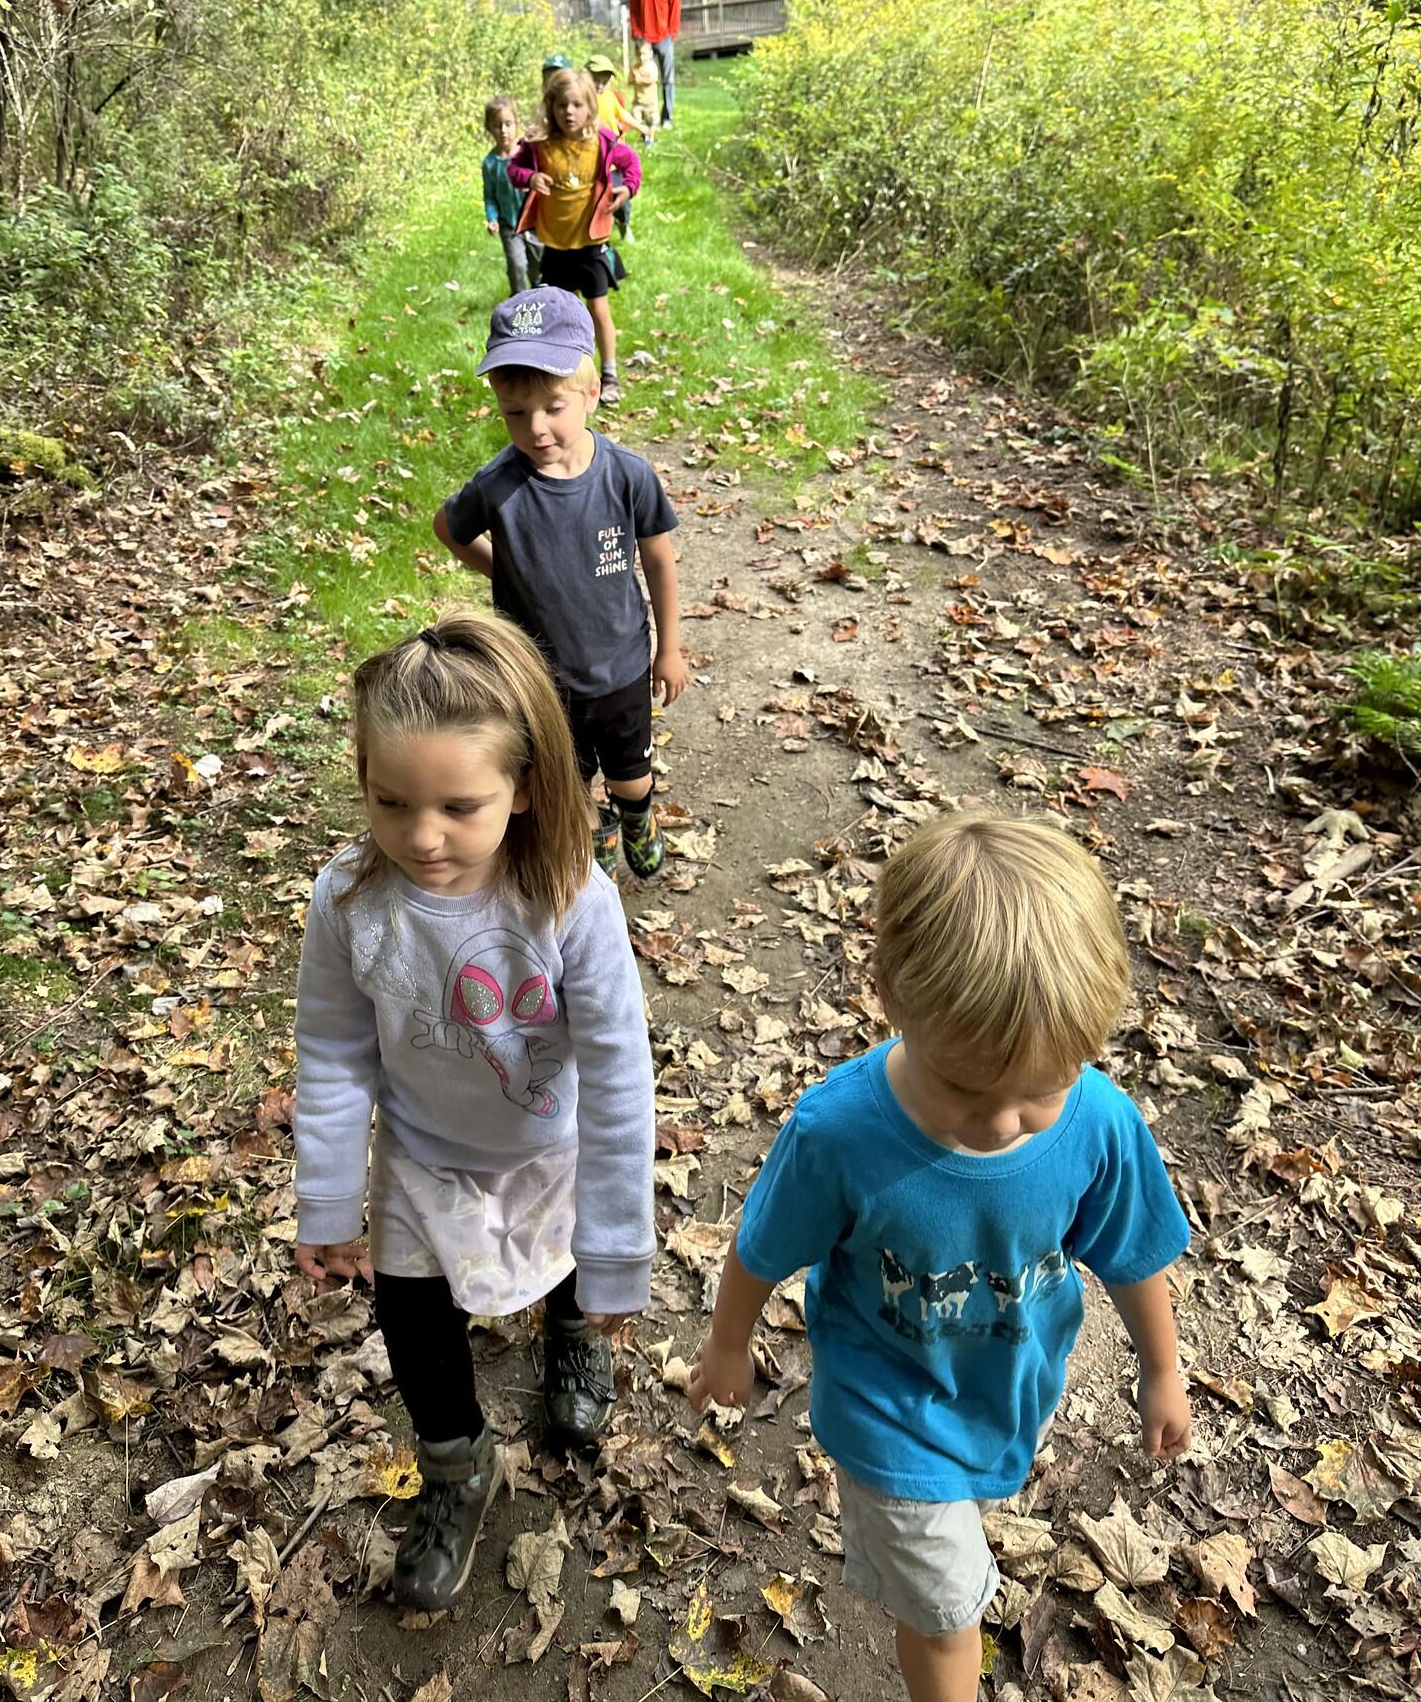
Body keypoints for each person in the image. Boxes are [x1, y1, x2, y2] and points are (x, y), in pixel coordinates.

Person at [688, 813, 1192, 1702]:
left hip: (1007, 1386)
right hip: (888, 1411)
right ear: (887, 993)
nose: (1002, 1122)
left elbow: (1130, 1252)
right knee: (947, 1613)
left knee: (962, 1549)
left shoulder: (1098, 1123)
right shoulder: (840, 1136)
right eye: (966, 1088)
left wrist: (1162, 1370)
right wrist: (729, 1344)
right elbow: (761, 1247)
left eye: (1041, 1090)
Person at [293, 610, 655, 1613]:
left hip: (555, 1141)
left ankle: (572, 1329)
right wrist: (326, 1201)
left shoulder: (571, 901)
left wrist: (622, 1247)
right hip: (422, 1150)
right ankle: (456, 1464)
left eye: (460, 805)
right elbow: (330, 1048)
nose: (422, 835)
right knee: (412, 1314)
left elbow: (621, 1071)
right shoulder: (350, 900)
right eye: (390, 800)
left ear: (527, 786)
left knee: (572, 1259)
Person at [431, 287, 687, 880]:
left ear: (591, 394)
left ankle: (637, 813)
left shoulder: (627, 476)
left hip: (621, 666)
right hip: (539, 678)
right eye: (515, 413)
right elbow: (448, 527)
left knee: (630, 773)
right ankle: (588, 829)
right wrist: (504, 566)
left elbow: (658, 561)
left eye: (552, 407)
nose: (536, 427)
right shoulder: (498, 484)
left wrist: (668, 649)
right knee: (565, 778)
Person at [507, 68, 640, 406]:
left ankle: (609, 373)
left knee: (598, 309)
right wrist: (531, 177)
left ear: (591, 107)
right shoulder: (541, 145)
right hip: (555, 246)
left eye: (578, 105)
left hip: (591, 246)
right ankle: (563, 372)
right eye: (562, 105)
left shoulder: (602, 142)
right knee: (559, 314)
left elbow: (631, 163)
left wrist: (627, 189)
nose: (569, 112)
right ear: (551, 108)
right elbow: (514, 170)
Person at [481, 95, 538, 298]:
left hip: (534, 223)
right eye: (497, 125)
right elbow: (489, 196)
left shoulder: (527, 154)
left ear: (517, 124)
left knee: (537, 267)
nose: (503, 131)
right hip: (509, 225)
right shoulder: (490, 163)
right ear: (489, 128)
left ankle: (544, 301)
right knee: (517, 264)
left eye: (508, 124)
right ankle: (520, 302)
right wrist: (492, 218)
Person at [627, 0, 681, 128]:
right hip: (644, 41)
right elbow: (633, 10)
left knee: (668, 79)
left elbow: (676, 6)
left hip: (665, 38)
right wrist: (636, 34)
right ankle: (651, 118)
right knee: (647, 81)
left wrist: (672, 33)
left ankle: (668, 117)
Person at [586, 55, 637, 245]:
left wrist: (640, 127)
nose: (599, 85)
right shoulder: (581, 100)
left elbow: (622, 114)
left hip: (614, 158)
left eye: (604, 81)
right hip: (592, 160)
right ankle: (598, 235)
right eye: (595, 80)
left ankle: (624, 223)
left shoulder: (610, 98)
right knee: (595, 199)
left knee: (620, 195)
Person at [629, 41, 660, 145]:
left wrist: (640, 80)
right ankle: (644, 136)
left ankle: (650, 140)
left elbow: (653, 79)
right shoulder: (635, 67)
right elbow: (630, 81)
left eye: (644, 54)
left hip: (650, 102)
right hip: (638, 101)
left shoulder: (652, 67)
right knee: (636, 120)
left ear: (650, 54)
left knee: (652, 122)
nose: (641, 57)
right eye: (639, 54)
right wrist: (633, 80)